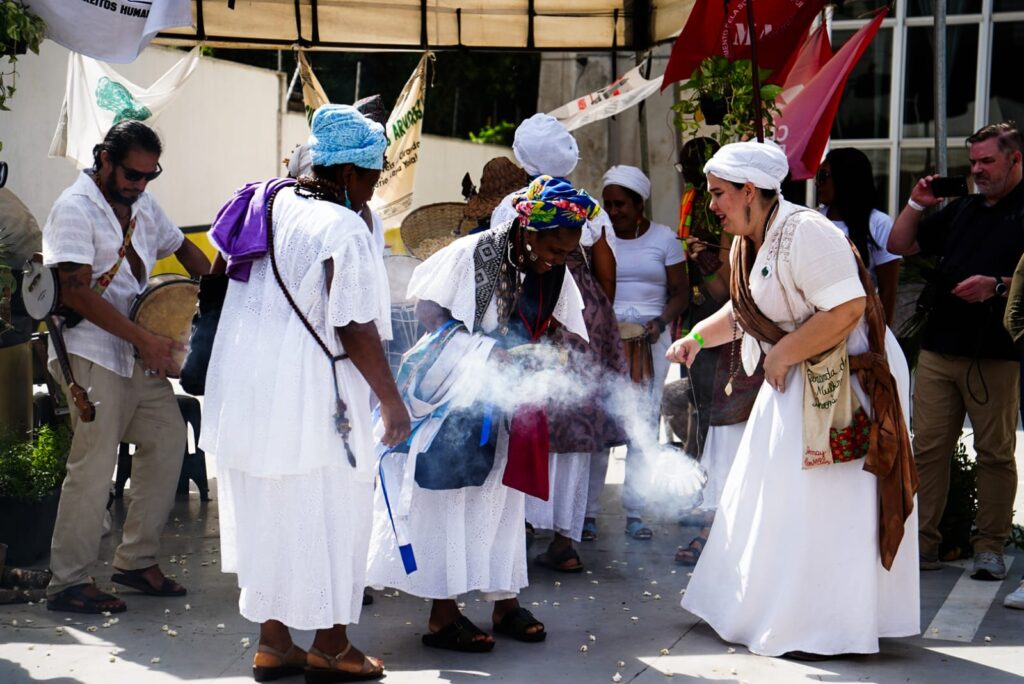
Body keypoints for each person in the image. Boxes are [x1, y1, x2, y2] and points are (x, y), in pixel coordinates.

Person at [669, 140, 919, 657]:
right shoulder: (747, 238)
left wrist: (780, 356)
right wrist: (696, 338)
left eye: (718, 194)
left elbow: (847, 308)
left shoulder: (807, 233)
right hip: (799, 370)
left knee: (826, 497)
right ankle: (764, 608)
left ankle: (825, 624)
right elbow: (747, 310)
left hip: (845, 382)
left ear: (750, 191)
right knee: (770, 487)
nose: (711, 204)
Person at [202, 104, 410, 681]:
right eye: (372, 176)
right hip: (315, 390)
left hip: (250, 385)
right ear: (346, 174)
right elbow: (353, 324)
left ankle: (273, 643)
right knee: (330, 511)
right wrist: (392, 401)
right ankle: (332, 646)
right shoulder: (342, 226)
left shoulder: (265, 202)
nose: (373, 190)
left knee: (269, 510)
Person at [367, 175, 598, 652]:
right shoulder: (472, 255)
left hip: (512, 399)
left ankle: (504, 600)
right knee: (450, 500)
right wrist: (486, 353)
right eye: (554, 249)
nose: (560, 260)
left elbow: (557, 323)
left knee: (503, 502)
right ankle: (443, 614)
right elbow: (428, 312)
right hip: (458, 394)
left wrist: (548, 354)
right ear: (528, 232)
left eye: (567, 252)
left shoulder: (553, 266)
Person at [41, 121, 210, 615]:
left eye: (148, 176)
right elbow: (75, 291)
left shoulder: (142, 203)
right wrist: (148, 342)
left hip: (136, 351)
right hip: (92, 351)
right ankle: (67, 582)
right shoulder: (74, 209)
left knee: (167, 438)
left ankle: (136, 561)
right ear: (105, 160)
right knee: (93, 468)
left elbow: (181, 246)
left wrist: (225, 288)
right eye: (132, 175)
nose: (139, 185)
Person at [888, 121, 1024, 579]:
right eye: (973, 163)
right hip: (940, 348)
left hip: (997, 354)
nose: (978, 171)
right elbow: (900, 244)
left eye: (988, 161)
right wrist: (915, 204)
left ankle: (989, 547)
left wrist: (999, 285)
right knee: (927, 449)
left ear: (1015, 159)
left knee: (995, 453)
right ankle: (921, 546)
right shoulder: (963, 207)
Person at [491, 114, 625, 564]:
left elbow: (498, 265)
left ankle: (520, 528)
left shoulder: (512, 204)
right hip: (582, 316)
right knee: (575, 419)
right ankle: (565, 542)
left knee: (529, 415)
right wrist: (592, 320)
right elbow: (606, 274)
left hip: (529, 312)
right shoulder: (590, 207)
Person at [587, 165, 688, 541]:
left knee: (643, 426)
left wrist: (659, 323)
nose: (612, 212)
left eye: (620, 205)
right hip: (608, 341)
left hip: (650, 340)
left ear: (639, 203)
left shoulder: (664, 239)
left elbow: (680, 291)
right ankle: (588, 515)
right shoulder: (598, 237)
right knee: (601, 425)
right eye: (608, 204)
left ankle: (634, 513)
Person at [816, 147, 901, 324]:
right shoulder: (812, 220)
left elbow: (888, 290)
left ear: (845, 178)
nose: (818, 184)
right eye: (818, 177)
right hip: (817, 322)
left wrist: (880, 336)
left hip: (861, 326)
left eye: (823, 176)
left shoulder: (879, 223)